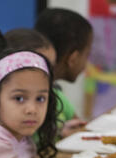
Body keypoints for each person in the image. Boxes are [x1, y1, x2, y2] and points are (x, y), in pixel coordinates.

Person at [35, 8, 94, 138]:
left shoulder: (56, 94)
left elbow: (80, 126)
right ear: (73, 59)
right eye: (87, 55)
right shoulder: (35, 102)